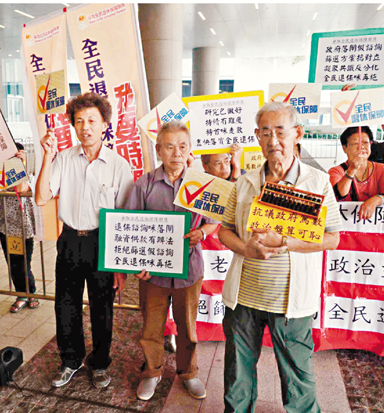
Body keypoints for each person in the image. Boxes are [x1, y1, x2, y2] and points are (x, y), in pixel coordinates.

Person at [219, 102, 342, 412]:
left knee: (298, 374)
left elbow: (332, 238)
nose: (273, 141)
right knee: (237, 374)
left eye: (280, 132)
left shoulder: (317, 182)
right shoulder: (245, 182)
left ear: (297, 133)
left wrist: (286, 242)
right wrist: (245, 248)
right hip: (244, 297)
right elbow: (224, 231)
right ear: (257, 137)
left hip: (291, 301)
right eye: (265, 133)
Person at [35, 92, 133, 389]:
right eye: (79, 121)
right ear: (73, 126)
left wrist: (120, 266)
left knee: (102, 307)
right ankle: (70, 360)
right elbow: (41, 197)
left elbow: (125, 218)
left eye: (92, 120)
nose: (85, 127)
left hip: (103, 242)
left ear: (105, 124)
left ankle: (100, 363)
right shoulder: (64, 159)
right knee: (66, 305)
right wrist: (47, 155)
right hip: (69, 241)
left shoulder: (118, 165)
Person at [123, 121, 218, 401]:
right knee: (151, 327)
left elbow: (213, 222)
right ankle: (151, 373)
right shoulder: (144, 184)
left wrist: (202, 232)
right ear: (158, 150)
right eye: (169, 146)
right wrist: (136, 265)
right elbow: (129, 225)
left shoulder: (202, 184)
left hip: (189, 269)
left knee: (187, 327)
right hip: (153, 273)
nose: (177, 153)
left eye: (182, 146)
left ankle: (189, 373)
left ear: (190, 149)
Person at [0, 142, 39, 313]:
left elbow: (21, 188)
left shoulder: (27, 176)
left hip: (23, 228)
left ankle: (30, 293)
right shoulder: (2, 174)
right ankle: (22, 295)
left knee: (24, 263)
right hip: (6, 227)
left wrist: (21, 164)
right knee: (13, 263)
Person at [328, 126, 384, 219]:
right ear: (345, 148)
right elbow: (337, 195)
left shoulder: (383, 169)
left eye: (365, 142)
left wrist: (375, 201)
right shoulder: (335, 171)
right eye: (355, 143)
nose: (361, 147)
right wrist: (352, 170)